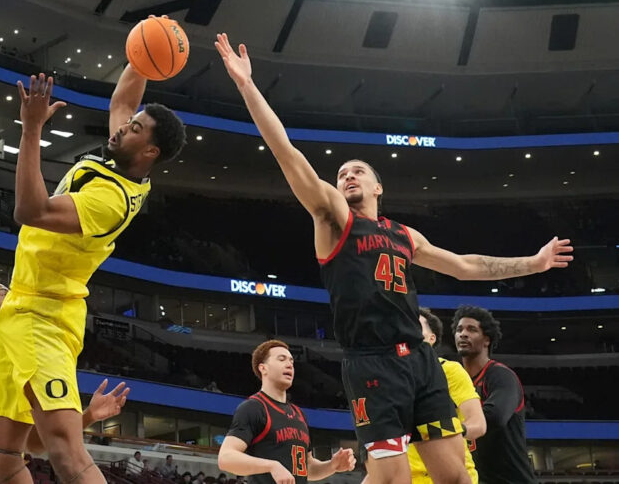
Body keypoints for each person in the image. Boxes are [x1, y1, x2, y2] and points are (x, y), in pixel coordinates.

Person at [214, 32, 573, 484]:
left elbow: (465, 264)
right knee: (393, 480)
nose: (347, 176)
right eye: (341, 173)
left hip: (421, 364)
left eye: (357, 171)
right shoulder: (333, 221)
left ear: (378, 187)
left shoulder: (404, 234)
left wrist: (533, 262)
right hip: (371, 362)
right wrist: (247, 86)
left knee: (457, 477)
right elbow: (289, 155)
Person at [0, 38, 186, 484]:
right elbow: (125, 97)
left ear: (150, 152)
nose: (124, 126)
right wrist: (146, 43)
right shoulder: (124, 155)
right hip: (20, 309)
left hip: (45, 316)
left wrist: (31, 129)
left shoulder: (112, 200)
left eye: (135, 129)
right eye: (130, 124)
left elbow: (29, 211)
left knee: (67, 454)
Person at [0, 273, 130, 484]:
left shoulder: (20, 364)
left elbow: (34, 444)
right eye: (3, 292)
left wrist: (89, 416)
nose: (12, 297)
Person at [219, 340, 356, 484]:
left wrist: (332, 466)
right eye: (281, 359)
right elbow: (226, 458)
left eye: (291, 361)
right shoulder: (254, 408)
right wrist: (272, 466)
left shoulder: (299, 414)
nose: (289, 364)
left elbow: (307, 468)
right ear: (263, 368)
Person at [401, 308, 486, 484]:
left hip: (452, 475)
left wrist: (443, 434)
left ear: (431, 338)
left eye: (415, 326)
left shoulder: (449, 370)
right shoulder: (389, 378)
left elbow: (478, 424)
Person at [454, 306, 536, 484]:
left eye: (472, 329)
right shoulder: (456, 381)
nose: (463, 334)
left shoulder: (500, 375)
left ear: (487, 340)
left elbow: (495, 416)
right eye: (459, 329)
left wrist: (450, 428)